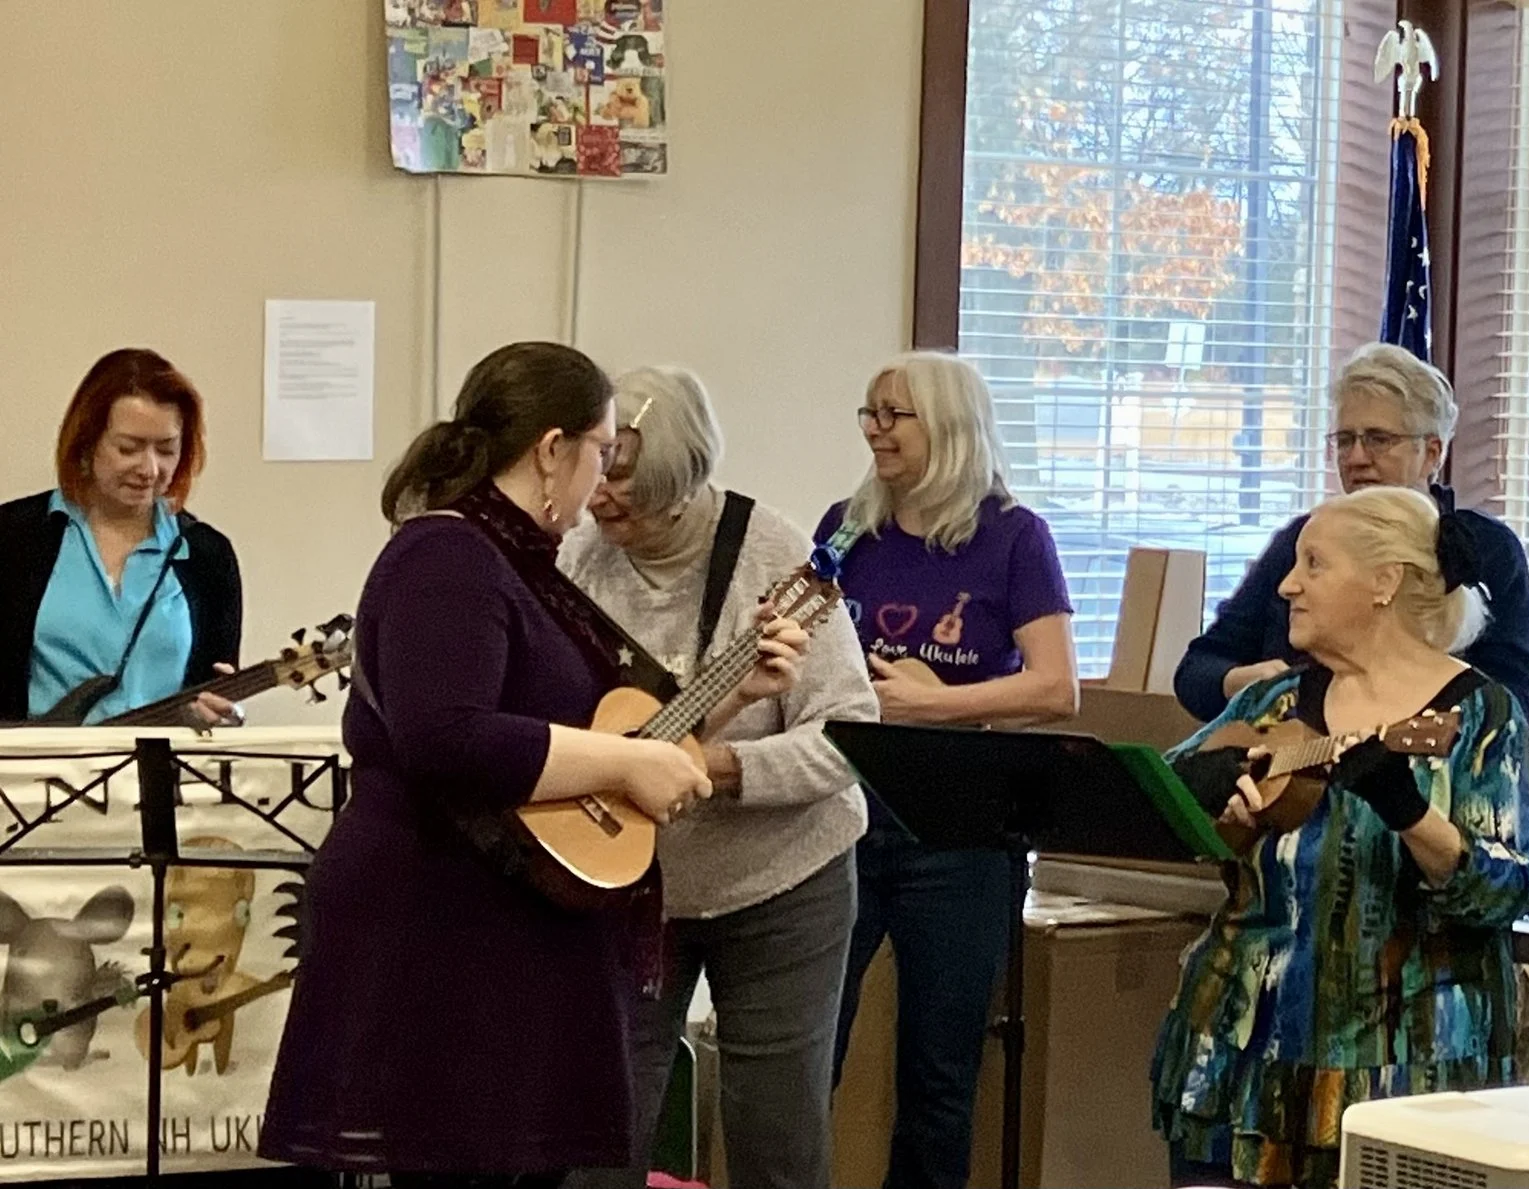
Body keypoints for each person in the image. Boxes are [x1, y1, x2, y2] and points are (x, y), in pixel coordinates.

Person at [263, 343, 796, 1188]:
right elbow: (446, 735)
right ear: (552, 449)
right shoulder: (445, 555)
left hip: (504, 927)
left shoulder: (514, 563)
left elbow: (588, 732)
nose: (598, 490)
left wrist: (729, 700)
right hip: (439, 932)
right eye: (601, 454)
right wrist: (626, 759)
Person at [1152, 484, 1529, 1189]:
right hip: (1242, 1057)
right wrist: (1221, 811)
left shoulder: (1480, 714)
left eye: (1313, 563)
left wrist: (1408, 810)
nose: (1286, 584)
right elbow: (1167, 794)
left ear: (1384, 583)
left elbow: (1512, 886)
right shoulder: (1269, 702)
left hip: (1406, 1071)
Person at [559, 368, 877, 1189]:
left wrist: (723, 766)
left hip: (783, 883)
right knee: (599, 1127)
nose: (602, 506)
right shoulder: (577, 559)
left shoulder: (774, 560)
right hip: (631, 882)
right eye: (600, 480)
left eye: (629, 495)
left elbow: (849, 739)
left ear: (683, 485)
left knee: (776, 1130)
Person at [821, 352, 1078, 1189]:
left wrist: (937, 703)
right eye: (870, 413)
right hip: (844, 820)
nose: (876, 431)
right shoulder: (846, 528)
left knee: (938, 1073)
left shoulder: (1012, 535)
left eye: (896, 415)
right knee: (809, 1051)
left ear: (952, 427)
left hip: (960, 838)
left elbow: (1056, 686)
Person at [1174, 343, 1529, 725]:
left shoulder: (1486, 549)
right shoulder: (1303, 539)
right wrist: (1244, 684)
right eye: (1345, 439)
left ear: (1433, 453)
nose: (1356, 458)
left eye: (1379, 439)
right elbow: (1197, 670)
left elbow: (1516, 700)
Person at [0, 348, 240, 728]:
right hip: (30, 778)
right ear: (86, 441)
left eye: (166, 450)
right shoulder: (12, 536)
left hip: (160, 777)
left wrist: (218, 714)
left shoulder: (209, 555)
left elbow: (215, 690)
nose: (149, 469)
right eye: (128, 448)